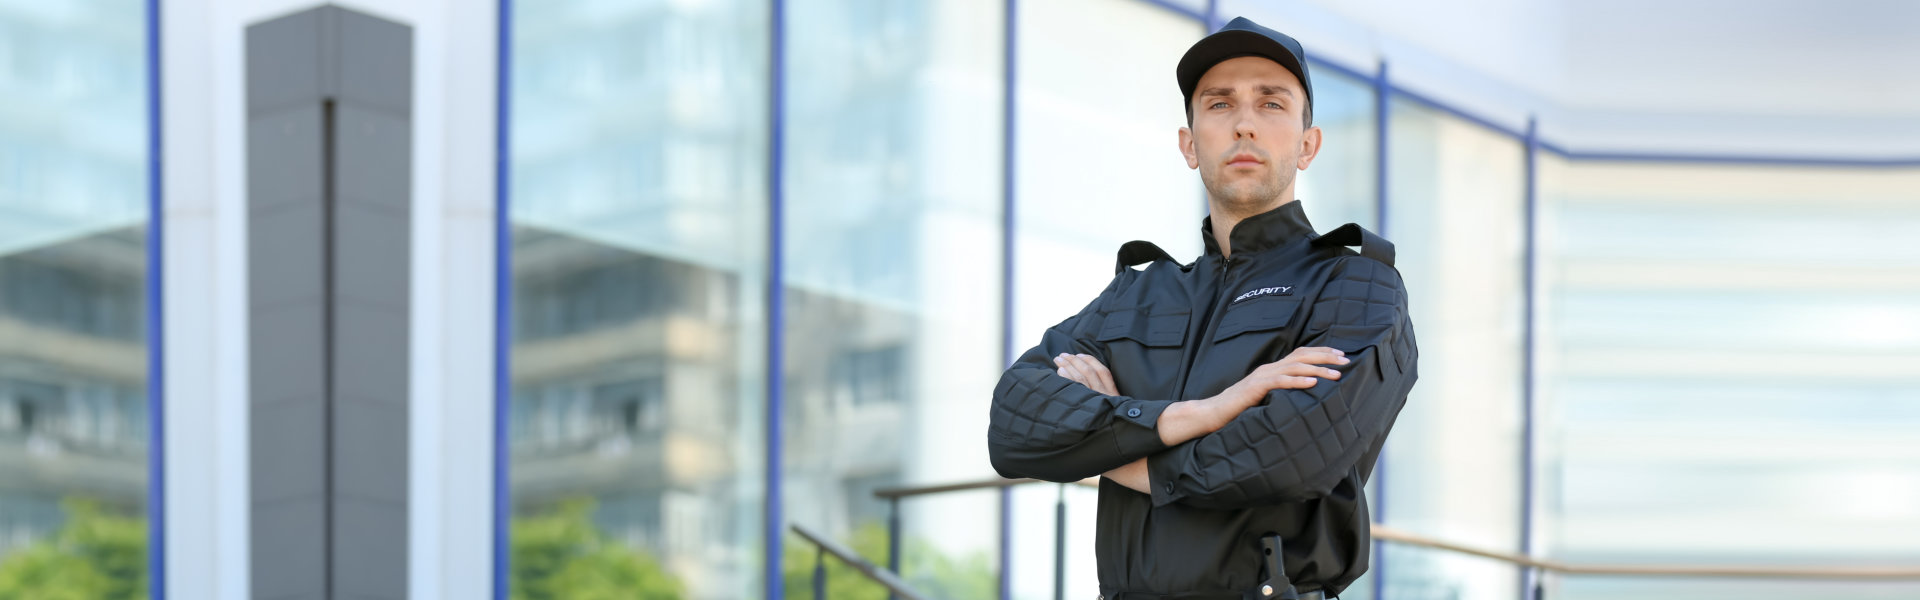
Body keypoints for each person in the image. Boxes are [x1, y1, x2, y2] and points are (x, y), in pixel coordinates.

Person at [987, 17, 1419, 600]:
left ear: (1307, 144)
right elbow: (1015, 425)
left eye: (1271, 104)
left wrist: (1112, 440)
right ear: (1190, 145)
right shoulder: (1137, 295)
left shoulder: (1356, 284)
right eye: (1219, 105)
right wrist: (1200, 414)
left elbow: (1292, 453)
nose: (1244, 123)